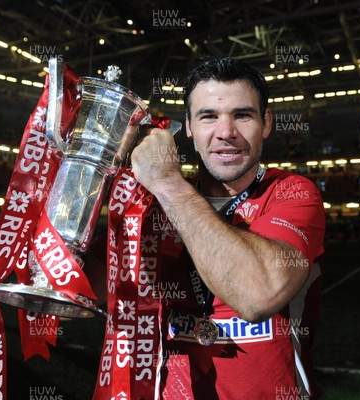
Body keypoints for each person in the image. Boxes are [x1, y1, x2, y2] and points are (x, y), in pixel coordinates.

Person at [129, 57, 326, 399]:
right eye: (208, 116)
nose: (226, 133)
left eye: (242, 115)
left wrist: (170, 185)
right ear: (188, 127)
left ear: (265, 123)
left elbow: (257, 295)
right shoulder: (152, 203)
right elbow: (87, 294)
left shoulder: (292, 192)